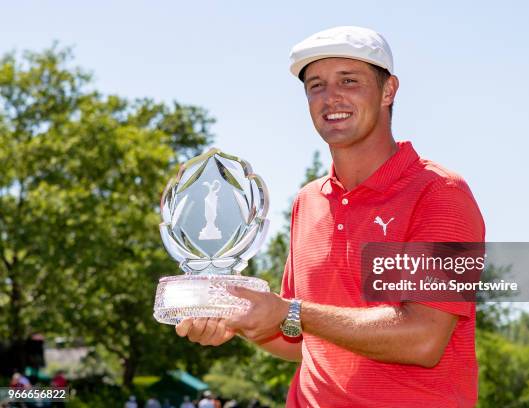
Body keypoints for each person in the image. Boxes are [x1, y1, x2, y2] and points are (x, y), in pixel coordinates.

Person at [176, 26, 485, 407]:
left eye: (349, 81)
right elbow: (299, 339)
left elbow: (423, 338)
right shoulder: (309, 200)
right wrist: (240, 318)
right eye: (316, 85)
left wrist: (290, 311)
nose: (330, 97)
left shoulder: (440, 193)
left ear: (388, 90)